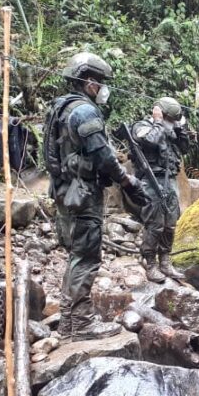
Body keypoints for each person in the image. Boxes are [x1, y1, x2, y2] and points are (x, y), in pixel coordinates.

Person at [43, 52, 149, 341]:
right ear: (89, 82)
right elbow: (103, 156)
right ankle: (82, 325)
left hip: (65, 192)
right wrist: (127, 181)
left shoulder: (59, 109)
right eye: (101, 82)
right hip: (83, 194)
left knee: (76, 255)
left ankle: (69, 323)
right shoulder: (85, 112)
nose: (103, 88)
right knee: (86, 257)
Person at [131, 97, 189, 282]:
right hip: (151, 180)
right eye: (169, 119)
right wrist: (158, 122)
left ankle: (165, 261)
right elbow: (150, 141)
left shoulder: (170, 130)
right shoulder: (142, 126)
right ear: (160, 113)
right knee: (155, 224)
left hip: (169, 180)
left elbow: (185, 148)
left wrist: (181, 131)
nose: (171, 124)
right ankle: (150, 264)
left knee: (171, 223)